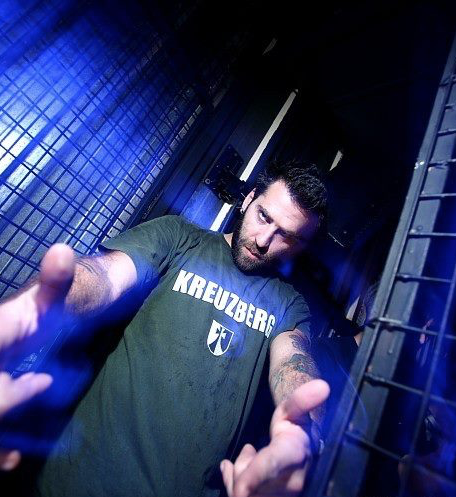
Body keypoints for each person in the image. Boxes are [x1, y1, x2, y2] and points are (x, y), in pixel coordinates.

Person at [0, 160, 330, 497]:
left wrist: (301, 432)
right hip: (78, 482)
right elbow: (106, 275)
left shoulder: (289, 303)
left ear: (300, 246)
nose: (263, 240)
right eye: (264, 216)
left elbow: (294, 362)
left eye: (285, 236)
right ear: (248, 199)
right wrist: (37, 307)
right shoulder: (180, 238)